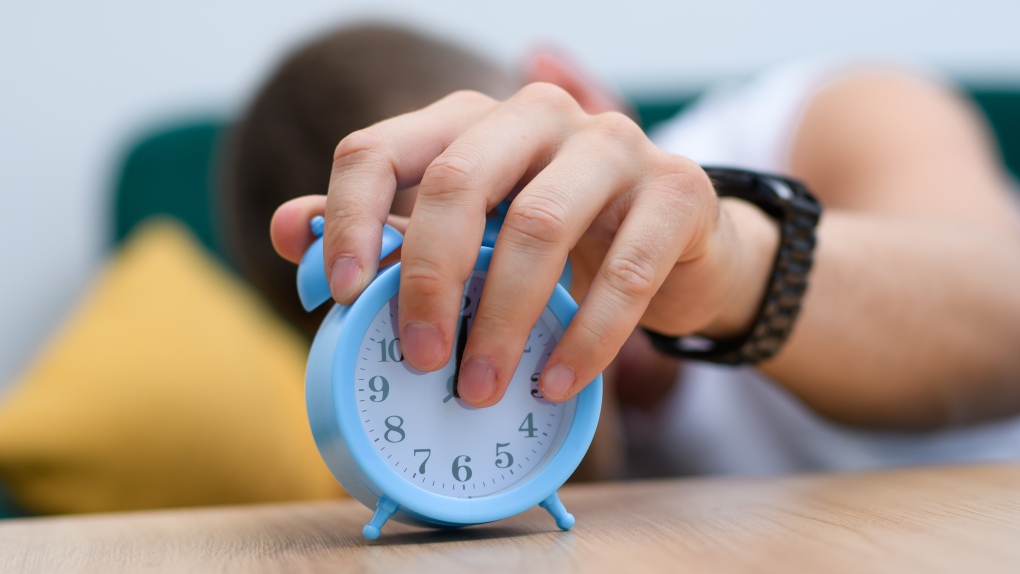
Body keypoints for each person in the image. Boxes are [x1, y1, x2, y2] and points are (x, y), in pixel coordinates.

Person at [257, 26, 1020, 475]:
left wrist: (730, 267)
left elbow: (1006, 317)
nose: (512, 297)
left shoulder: (825, 117)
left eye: (503, 212)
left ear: (568, 90)